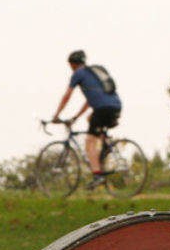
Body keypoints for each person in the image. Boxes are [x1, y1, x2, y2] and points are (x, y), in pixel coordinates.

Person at [52, 50, 122, 188]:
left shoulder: (78, 74)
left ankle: (97, 175)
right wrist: (76, 117)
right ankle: (106, 143)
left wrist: (57, 114)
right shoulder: (94, 73)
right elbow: (90, 101)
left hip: (102, 109)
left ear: (72, 64)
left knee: (89, 141)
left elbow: (67, 95)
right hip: (116, 105)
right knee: (91, 119)